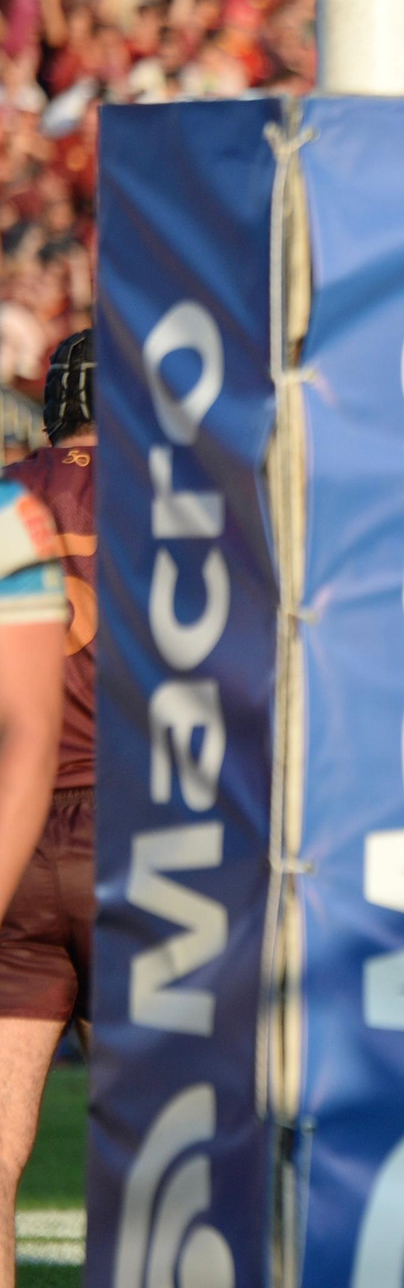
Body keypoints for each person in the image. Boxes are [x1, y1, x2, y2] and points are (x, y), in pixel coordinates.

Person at [0, 330, 92, 1288]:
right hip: (148, 836)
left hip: (13, 832)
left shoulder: (5, 500)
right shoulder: (184, 510)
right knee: (165, 1144)